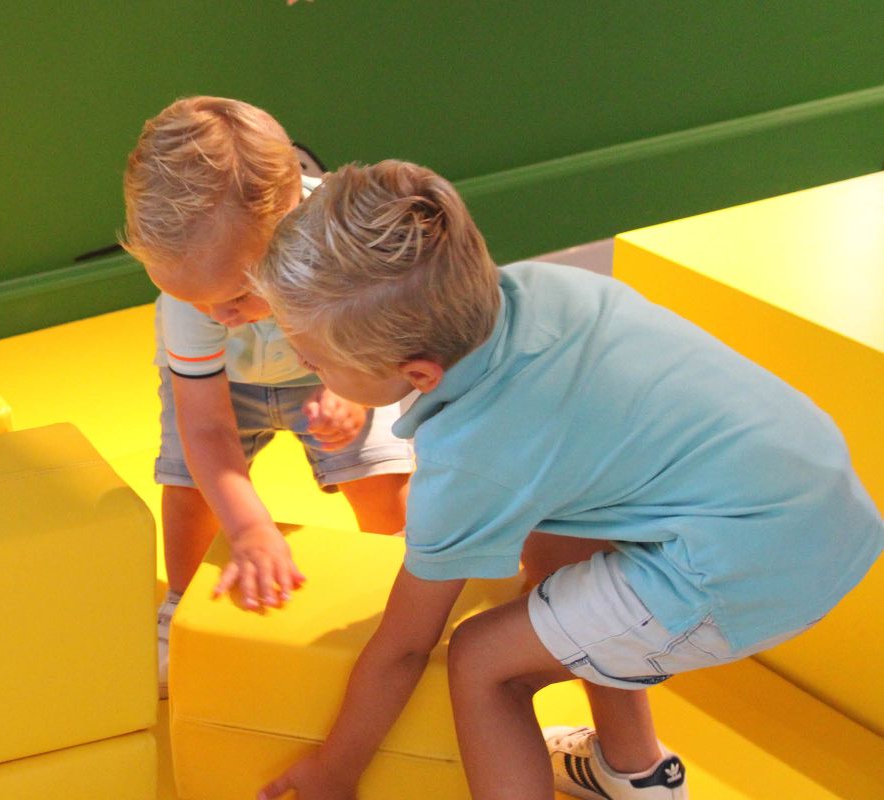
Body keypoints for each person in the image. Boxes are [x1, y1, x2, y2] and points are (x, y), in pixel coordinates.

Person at [248, 160, 884, 799]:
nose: (299, 358)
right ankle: (633, 772)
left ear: (417, 375)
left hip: (745, 571)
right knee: (553, 531)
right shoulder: (540, 288)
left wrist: (335, 770)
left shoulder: (472, 460)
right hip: (819, 499)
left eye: (311, 354)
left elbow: (405, 648)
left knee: (481, 662)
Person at [121, 98, 416, 698]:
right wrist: (250, 527)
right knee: (186, 490)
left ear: (291, 238)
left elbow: (392, 343)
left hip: (339, 364)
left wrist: (353, 394)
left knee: (385, 479)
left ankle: (402, 594)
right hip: (223, 381)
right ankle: (184, 606)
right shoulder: (196, 294)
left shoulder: (344, 239)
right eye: (192, 298)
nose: (216, 316)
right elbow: (206, 428)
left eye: (234, 298)